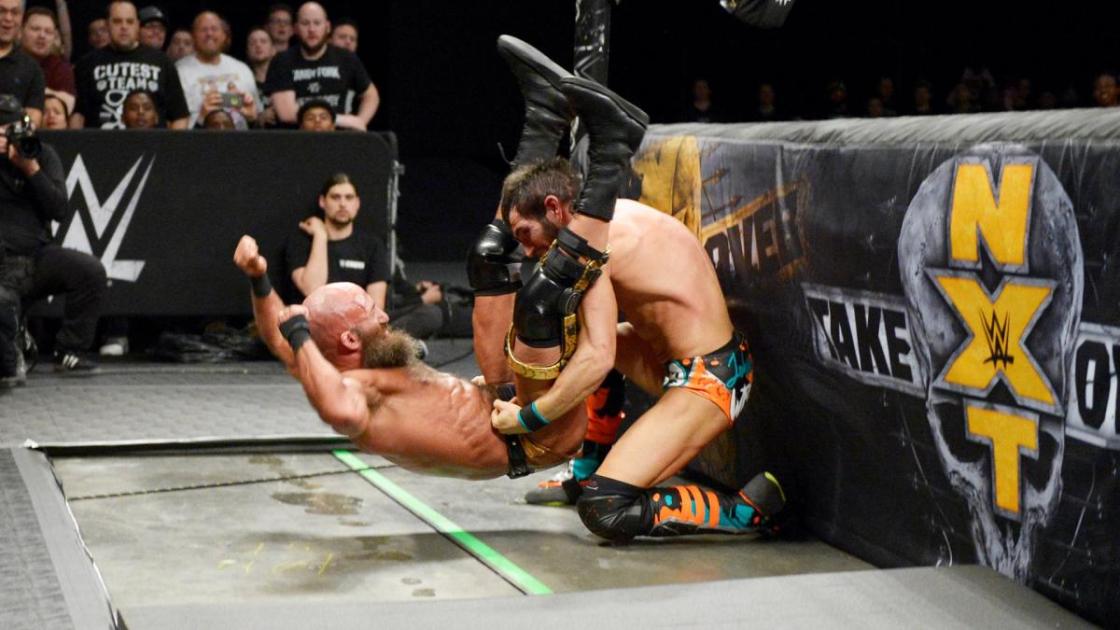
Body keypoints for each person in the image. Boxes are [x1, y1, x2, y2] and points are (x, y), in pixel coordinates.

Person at [482, 38, 784, 541]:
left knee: (605, 508)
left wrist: (530, 416)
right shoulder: (598, 224)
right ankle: (584, 470)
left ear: (555, 209)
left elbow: (597, 359)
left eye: (527, 236)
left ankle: (744, 510)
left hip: (713, 379)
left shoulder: (598, 248)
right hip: (672, 361)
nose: (530, 252)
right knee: (574, 333)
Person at [233, 236, 587, 479]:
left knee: (491, 256)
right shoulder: (355, 389)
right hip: (537, 436)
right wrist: (298, 333)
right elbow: (339, 411)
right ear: (350, 339)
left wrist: (258, 278)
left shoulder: (349, 366)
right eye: (371, 312)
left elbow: (278, 340)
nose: (385, 316)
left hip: (511, 404)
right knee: (545, 298)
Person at [1, 95, 106, 387]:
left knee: (89, 271)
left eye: (12, 128)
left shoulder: (41, 153)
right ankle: (13, 347)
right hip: (1, 262)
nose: (8, 136)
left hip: (35, 258)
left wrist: (30, 169)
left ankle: (70, 350)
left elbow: (58, 209)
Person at [71, 1, 189, 129]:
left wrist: (169, 142)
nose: (124, 27)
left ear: (138, 25)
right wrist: (76, 141)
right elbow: (78, 115)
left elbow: (180, 116)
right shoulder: (87, 63)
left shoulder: (162, 62)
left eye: (130, 22)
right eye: (117, 21)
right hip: (101, 140)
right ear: (107, 25)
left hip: (152, 141)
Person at [264, 2, 379, 130]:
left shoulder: (346, 58)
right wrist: (344, 120)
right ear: (295, 28)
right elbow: (287, 113)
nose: (311, 29)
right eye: (305, 23)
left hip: (339, 138)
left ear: (327, 27)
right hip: (297, 138)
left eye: (317, 23)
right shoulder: (282, 61)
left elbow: (371, 95)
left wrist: (360, 121)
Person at [284, 173, 389, 308]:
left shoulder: (372, 246)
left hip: (356, 319)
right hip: (311, 318)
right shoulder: (301, 240)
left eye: (349, 198)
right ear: (322, 201)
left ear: (357, 203)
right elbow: (311, 289)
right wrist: (320, 236)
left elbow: (376, 307)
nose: (342, 204)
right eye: (335, 197)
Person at [176, 11, 258, 128]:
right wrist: (202, 118)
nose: (209, 33)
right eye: (203, 30)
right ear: (193, 36)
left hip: (240, 138)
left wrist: (252, 118)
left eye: (214, 29)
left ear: (224, 35)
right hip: (197, 138)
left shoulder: (242, 69)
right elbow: (173, 126)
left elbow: (257, 118)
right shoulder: (179, 71)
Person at [20, 7, 75, 115]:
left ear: (54, 37)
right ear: (20, 31)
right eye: (35, 29)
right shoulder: (7, 60)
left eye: (48, 32)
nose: (42, 36)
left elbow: (67, 105)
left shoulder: (60, 67)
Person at [0, 0, 45, 128]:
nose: (8, 18)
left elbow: (33, 117)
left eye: (15, 13)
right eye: (1, 11)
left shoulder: (32, 69)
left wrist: (7, 133)